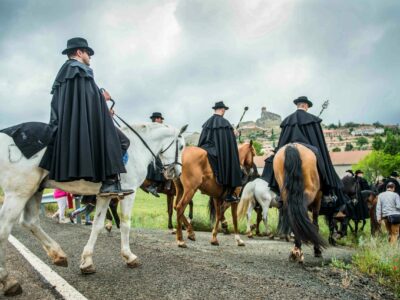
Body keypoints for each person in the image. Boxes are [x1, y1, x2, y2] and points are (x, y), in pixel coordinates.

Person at [39, 37, 133, 197]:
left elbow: (81, 104)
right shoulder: (80, 69)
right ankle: (109, 183)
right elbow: (91, 99)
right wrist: (103, 99)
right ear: (79, 52)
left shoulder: (62, 74)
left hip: (70, 123)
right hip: (85, 123)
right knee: (123, 141)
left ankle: (91, 191)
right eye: (88, 53)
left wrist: (103, 111)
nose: (90, 57)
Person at [261, 96, 346, 209]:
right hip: (308, 146)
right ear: (306, 105)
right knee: (322, 159)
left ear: (298, 105)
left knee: (276, 158)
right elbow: (318, 142)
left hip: (287, 145)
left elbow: (283, 140)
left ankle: (279, 193)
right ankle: (326, 193)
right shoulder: (313, 119)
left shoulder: (287, 120)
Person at [198, 101, 242, 202]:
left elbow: (203, 139)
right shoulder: (224, 123)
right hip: (218, 150)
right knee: (232, 161)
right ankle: (229, 194)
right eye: (224, 110)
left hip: (205, 148)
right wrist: (235, 134)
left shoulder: (208, 122)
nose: (224, 111)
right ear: (222, 110)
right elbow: (228, 143)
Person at [144, 112, 167, 197]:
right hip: (152, 151)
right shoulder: (154, 129)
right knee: (160, 167)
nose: (162, 121)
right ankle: (153, 186)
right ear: (157, 119)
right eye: (161, 119)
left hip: (155, 150)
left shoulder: (152, 128)